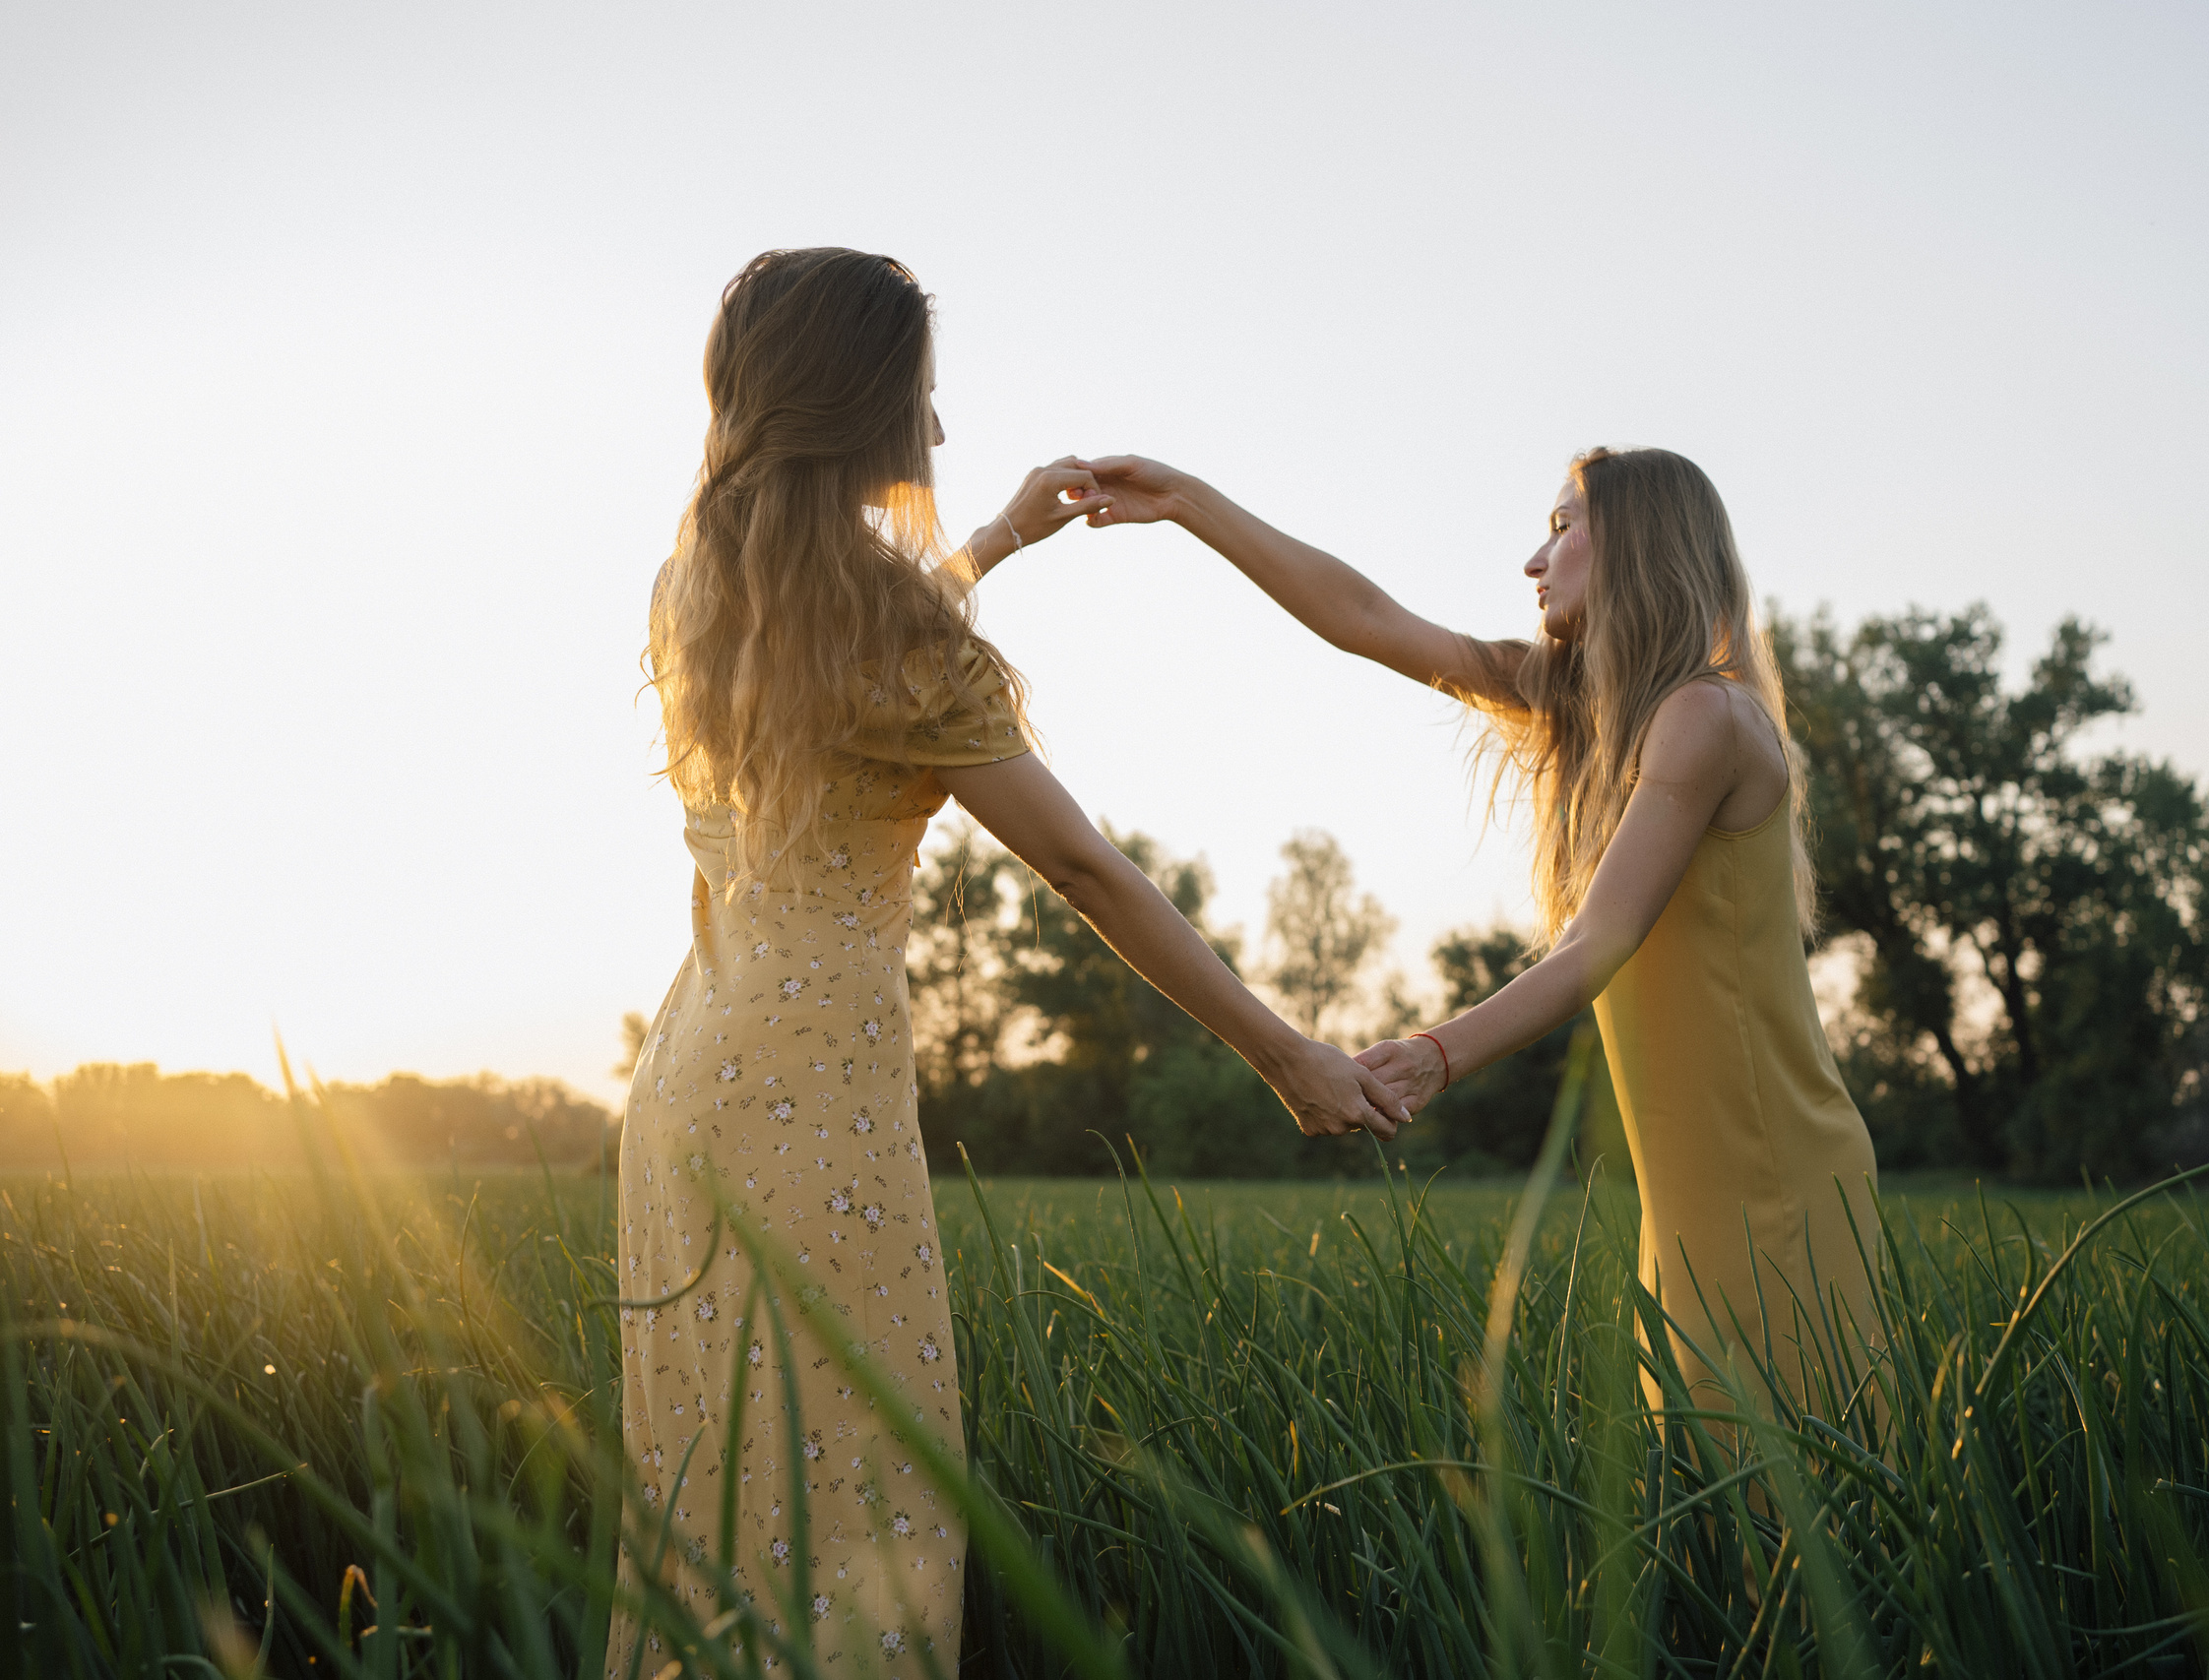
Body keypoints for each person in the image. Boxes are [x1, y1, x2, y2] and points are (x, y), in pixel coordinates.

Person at [609, 249, 1407, 1680]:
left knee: (721, 1511)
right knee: (859, 1504)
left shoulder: (699, 578)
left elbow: (841, 665)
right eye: (921, 394)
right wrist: (1289, 1051)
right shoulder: (888, 628)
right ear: (859, 404)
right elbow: (1088, 871)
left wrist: (990, 541)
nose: (938, 426)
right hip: (816, 1114)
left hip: (685, 1094)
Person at [1083, 448, 1882, 1429]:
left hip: (1772, 1178)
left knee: (1795, 1521)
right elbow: (1368, 622)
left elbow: (1599, 940)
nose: (1533, 560)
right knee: (1723, 1508)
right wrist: (1189, 504)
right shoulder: (1591, 711)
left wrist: (1433, 1055)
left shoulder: (1705, 715)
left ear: (1638, 542)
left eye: (1560, 527)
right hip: (1691, 1186)